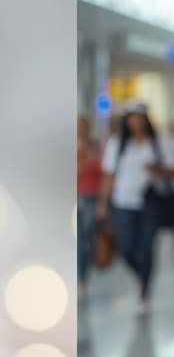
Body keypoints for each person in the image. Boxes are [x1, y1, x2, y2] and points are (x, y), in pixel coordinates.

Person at [97, 102, 174, 314]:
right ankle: (141, 276)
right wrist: (103, 205)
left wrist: (156, 169)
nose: (136, 122)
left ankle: (145, 292)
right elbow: (109, 176)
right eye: (132, 118)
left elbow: (173, 170)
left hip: (149, 203)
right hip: (123, 202)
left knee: (148, 246)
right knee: (125, 247)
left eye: (139, 118)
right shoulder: (117, 144)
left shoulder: (157, 142)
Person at [77, 114, 103, 297]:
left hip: (92, 196)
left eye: (82, 125)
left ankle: (84, 276)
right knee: (78, 240)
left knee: (87, 239)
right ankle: (80, 278)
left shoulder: (96, 147)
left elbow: (104, 172)